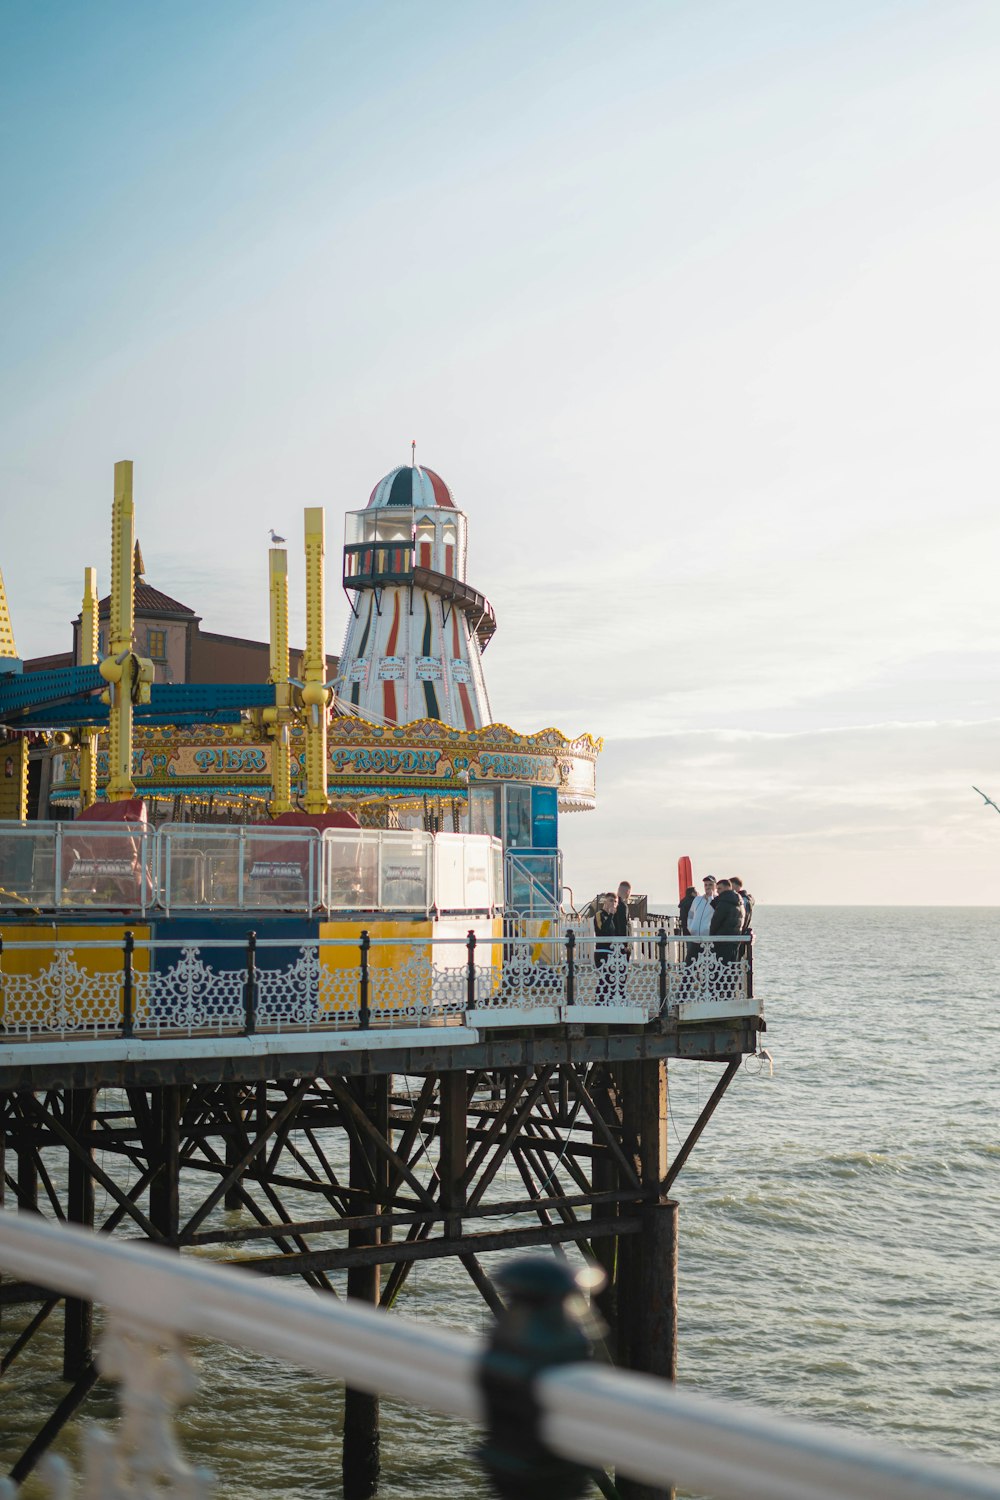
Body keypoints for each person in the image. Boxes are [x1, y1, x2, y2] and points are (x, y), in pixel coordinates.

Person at [710, 877, 744, 961]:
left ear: (728, 887)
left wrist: (711, 937)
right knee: (730, 969)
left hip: (722, 941)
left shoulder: (724, 902)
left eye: (719, 888)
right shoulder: (739, 901)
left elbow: (716, 922)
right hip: (735, 940)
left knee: (720, 969)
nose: (717, 891)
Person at [686, 875, 716, 964]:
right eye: (706, 885)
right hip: (695, 938)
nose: (707, 887)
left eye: (710, 885)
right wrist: (691, 927)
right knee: (689, 965)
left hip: (709, 941)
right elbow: (690, 915)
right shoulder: (697, 899)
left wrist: (711, 898)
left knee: (708, 967)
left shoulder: (717, 900)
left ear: (715, 886)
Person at [593, 892, 617, 999]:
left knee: (611, 978)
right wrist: (611, 915)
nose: (613, 903)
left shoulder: (612, 917)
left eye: (615, 901)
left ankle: (608, 1000)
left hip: (611, 951)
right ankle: (599, 1000)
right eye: (611, 900)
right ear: (605, 901)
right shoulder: (600, 914)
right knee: (604, 978)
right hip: (601, 951)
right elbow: (602, 930)